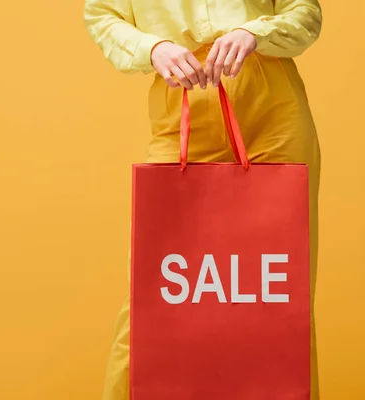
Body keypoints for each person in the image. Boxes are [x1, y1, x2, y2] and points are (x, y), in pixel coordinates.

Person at [83, 1, 323, 399]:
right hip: (182, 105)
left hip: (273, 111)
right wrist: (153, 48)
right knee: (153, 295)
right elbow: (101, 15)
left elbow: (306, 12)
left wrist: (255, 33)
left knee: (279, 291)